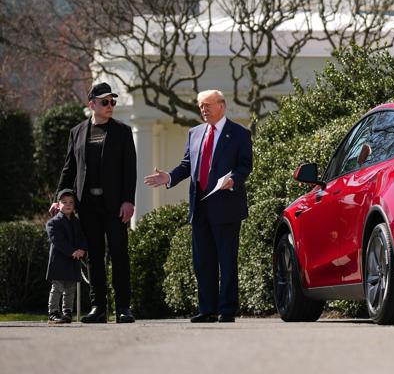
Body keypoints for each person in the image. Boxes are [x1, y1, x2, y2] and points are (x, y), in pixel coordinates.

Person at [144, 90, 252, 323]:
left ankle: (227, 309)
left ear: (221, 106)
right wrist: (170, 178)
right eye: (200, 106)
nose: (203, 110)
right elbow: (186, 165)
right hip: (200, 206)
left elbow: (245, 165)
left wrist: (235, 178)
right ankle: (207, 309)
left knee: (227, 260)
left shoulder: (239, 134)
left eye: (207, 105)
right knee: (203, 261)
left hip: (226, 205)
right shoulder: (194, 133)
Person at [53, 82, 137, 324]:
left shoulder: (122, 131)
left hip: (115, 205)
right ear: (92, 105)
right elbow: (69, 169)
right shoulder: (77, 132)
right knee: (94, 256)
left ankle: (123, 308)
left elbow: (129, 171)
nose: (110, 105)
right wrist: (60, 197)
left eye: (112, 101)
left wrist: (128, 201)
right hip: (87, 204)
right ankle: (98, 307)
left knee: (119, 255)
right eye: (104, 102)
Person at [45, 189, 87, 325]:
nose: (68, 205)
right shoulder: (53, 223)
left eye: (71, 202)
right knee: (57, 288)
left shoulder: (78, 222)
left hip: (73, 262)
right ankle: (53, 312)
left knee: (70, 288)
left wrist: (82, 249)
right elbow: (58, 240)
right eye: (64, 202)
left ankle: (67, 311)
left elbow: (82, 237)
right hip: (59, 261)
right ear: (58, 204)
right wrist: (71, 251)